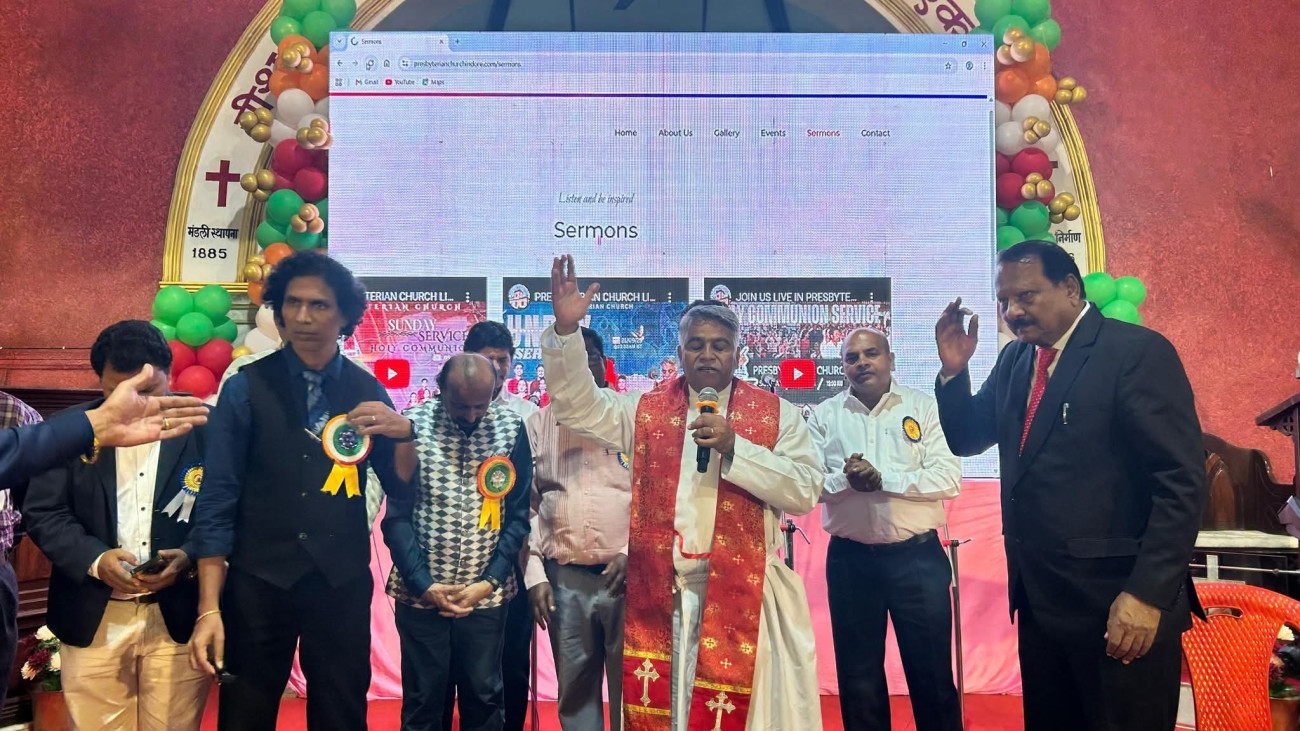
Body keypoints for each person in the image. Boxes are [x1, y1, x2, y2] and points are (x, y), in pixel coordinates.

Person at [542, 255, 823, 731]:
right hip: (664, 598)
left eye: (719, 345)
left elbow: (804, 490)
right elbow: (576, 407)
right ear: (680, 351)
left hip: (747, 597)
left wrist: (737, 448)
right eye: (696, 345)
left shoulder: (777, 415)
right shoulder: (645, 410)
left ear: (738, 353)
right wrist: (567, 332)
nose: (707, 354)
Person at [933, 240, 1206, 730]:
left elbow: (1180, 482)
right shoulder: (1017, 360)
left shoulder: (1135, 352)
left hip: (1118, 607)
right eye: (1004, 300)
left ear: (1071, 288)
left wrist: (1146, 595)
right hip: (1041, 604)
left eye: (1026, 296)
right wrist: (955, 372)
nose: (1013, 311)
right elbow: (968, 437)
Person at [188, 251, 419, 731]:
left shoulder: (367, 389)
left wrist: (404, 434)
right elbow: (217, 495)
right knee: (244, 715)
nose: (303, 317)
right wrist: (209, 606)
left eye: (319, 305)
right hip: (257, 580)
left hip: (340, 582)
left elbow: (401, 486)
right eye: (292, 303)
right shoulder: (245, 387)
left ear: (345, 316)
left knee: (341, 714)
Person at [25, 320, 212, 730]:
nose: (134, 404)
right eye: (117, 392)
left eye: (149, 390)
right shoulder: (68, 431)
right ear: (100, 382)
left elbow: (227, 511)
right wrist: (95, 559)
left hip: (179, 614)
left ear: (170, 373)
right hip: (94, 614)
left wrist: (189, 556)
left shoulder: (207, 427)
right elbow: (44, 511)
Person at [807, 328, 962, 731]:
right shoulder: (824, 415)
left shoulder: (923, 406)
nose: (862, 362)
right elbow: (807, 486)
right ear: (842, 366)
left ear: (890, 360)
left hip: (918, 559)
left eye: (871, 353)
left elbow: (948, 478)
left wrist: (883, 479)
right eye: (852, 357)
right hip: (850, 561)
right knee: (858, 681)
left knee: (933, 677)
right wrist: (848, 480)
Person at [385, 353, 532, 731]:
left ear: (495, 390)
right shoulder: (411, 426)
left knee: (484, 697)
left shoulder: (511, 428)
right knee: (423, 701)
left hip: (486, 596)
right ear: (440, 388)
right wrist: (424, 584)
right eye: (460, 405)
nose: (470, 415)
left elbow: (517, 516)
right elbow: (397, 517)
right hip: (420, 594)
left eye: (480, 405)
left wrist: (489, 581)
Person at [526, 327, 631, 731]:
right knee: (575, 691)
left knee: (635, 687)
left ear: (605, 364)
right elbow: (527, 506)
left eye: (590, 356)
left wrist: (632, 551)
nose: (582, 366)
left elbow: (656, 494)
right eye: (571, 358)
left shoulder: (632, 416)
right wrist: (535, 574)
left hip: (629, 576)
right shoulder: (537, 425)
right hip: (564, 579)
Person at [454, 321, 538, 731]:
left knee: (512, 658)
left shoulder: (528, 416)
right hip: (457, 557)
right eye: (487, 359)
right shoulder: (446, 410)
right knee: (457, 664)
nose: (496, 368)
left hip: (511, 555)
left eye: (502, 360)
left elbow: (533, 493)